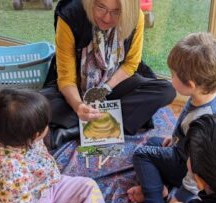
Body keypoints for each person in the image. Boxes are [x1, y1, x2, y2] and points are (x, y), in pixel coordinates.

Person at [40, 0, 176, 149]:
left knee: (166, 90)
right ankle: (112, 119)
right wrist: (78, 105)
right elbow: (66, 77)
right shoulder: (70, 15)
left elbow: (131, 64)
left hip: (114, 82)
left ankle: (74, 130)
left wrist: (104, 89)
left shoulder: (135, 17)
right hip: (77, 87)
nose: (106, 18)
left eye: (116, 11)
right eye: (100, 7)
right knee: (38, 104)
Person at [0, 89, 108, 203]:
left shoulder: (10, 134)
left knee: (88, 186)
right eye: (46, 125)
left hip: (43, 188)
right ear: (35, 135)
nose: (49, 126)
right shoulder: (8, 172)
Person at [125, 32, 216, 203]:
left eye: (173, 74)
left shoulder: (202, 122)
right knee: (153, 142)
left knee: (142, 154)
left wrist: (179, 198)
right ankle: (161, 188)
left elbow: (196, 170)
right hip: (183, 150)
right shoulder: (211, 95)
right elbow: (186, 127)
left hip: (189, 166)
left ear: (190, 84)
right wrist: (175, 139)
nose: (170, 77)